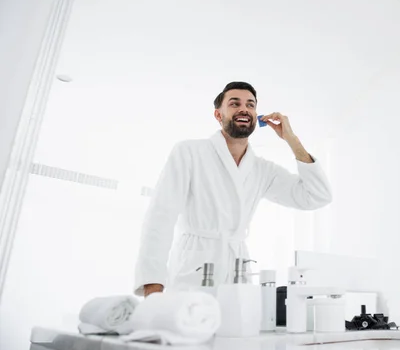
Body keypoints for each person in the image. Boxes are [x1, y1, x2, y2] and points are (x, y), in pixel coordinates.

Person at [134, 82, 332, 297]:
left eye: (250, 105)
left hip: (237, 272)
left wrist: (292, 140)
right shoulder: (190, 152)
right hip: (193, 269)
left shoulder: (262, 170)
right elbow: (160, 216)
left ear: (256, 116)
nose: (244, 109)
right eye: (234, 103)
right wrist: (152, 285)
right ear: (218, 115)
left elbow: (317, 196)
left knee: (238, 325)